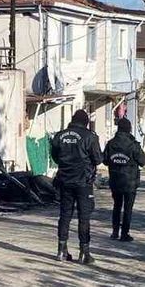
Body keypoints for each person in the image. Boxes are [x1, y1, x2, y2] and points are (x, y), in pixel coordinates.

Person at [50, 109, 102, 264]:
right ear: (86, 122)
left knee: (65, 215)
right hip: (83, 182)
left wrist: (66, 165)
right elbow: (98, 159)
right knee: (84, 217)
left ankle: (61, 251)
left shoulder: (59, 136)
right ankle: (84, 252)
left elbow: (55, 156)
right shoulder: (90, 137)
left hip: (65, 180)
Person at [103, 118, 145, 242]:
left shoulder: (111, 143)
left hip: (115, 180)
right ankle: (124, 234)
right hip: (130, 182)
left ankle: (115, 232)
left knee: (116, 206)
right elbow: (143, 161)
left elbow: (105, 160)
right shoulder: (133, 145)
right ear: (129, 129)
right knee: (128, 208)